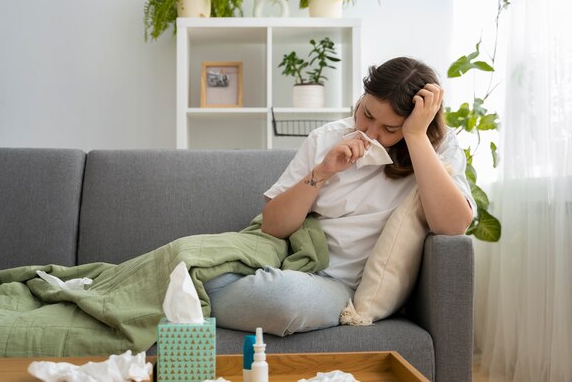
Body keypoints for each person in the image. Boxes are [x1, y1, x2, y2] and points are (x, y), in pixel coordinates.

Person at [204, 57, 476, 337]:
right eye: (367, 114)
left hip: (337, 284)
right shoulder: (327, 138)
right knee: (206, 268)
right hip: (293, 259)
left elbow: (453, 227)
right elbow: (273, 226)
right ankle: (193, 293)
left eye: (390, 129)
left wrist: (416, 136)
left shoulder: (438, 148)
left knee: (283, 300)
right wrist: (324, 171)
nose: (370, 132)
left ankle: (189, 299)